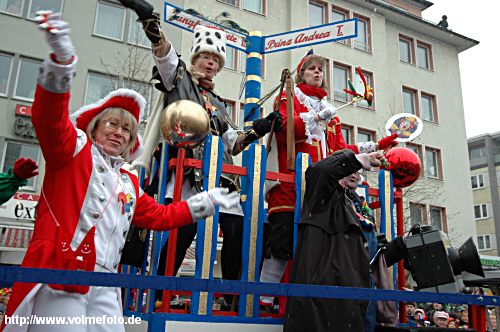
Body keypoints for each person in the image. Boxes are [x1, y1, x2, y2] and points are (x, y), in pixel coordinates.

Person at [3, 12, 239, 332]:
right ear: (94, 128)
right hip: (64, 275)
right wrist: (61, 62)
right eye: (111, 124)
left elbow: (158, 216)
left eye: (126, 130)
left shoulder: (126, 180)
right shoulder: (73, 153)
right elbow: (48, 119)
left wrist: (204, 202)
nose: (119, 133)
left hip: (106, 282)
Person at [120, 0, 282, 307]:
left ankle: (232, 298)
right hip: (189, 172)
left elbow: (233, 140)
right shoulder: (179, 79)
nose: (210, 63)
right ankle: (157, 294)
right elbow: (165, 57)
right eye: (205, 57)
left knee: (236, 230)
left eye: (215, 60)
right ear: (196, 58)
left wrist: (260, 128)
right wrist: (150, 22)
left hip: (220, 174)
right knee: (184, 230)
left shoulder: (218, 102)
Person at [261, 50, 398, 308]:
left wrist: (378, 145)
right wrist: (313, 118)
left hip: (321, 188)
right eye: (312, 68)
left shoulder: (331, 111)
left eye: (320, 70)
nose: (317, 72)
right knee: (281, 242)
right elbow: (283, 130)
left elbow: (340, 150)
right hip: (291, 184)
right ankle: (265, 299)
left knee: (315, 247)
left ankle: (301, 302)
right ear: (302, 72)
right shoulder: (289, 96)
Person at [282, 149, 395, 332]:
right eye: (350, 168)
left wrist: (400, 246)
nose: (355, 174)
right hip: (322, 303)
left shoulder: (356, 205)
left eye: (357, 171)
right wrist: (358, 159)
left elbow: (370, 257)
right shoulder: (322, 198)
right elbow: (321, 171)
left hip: (354, 302)